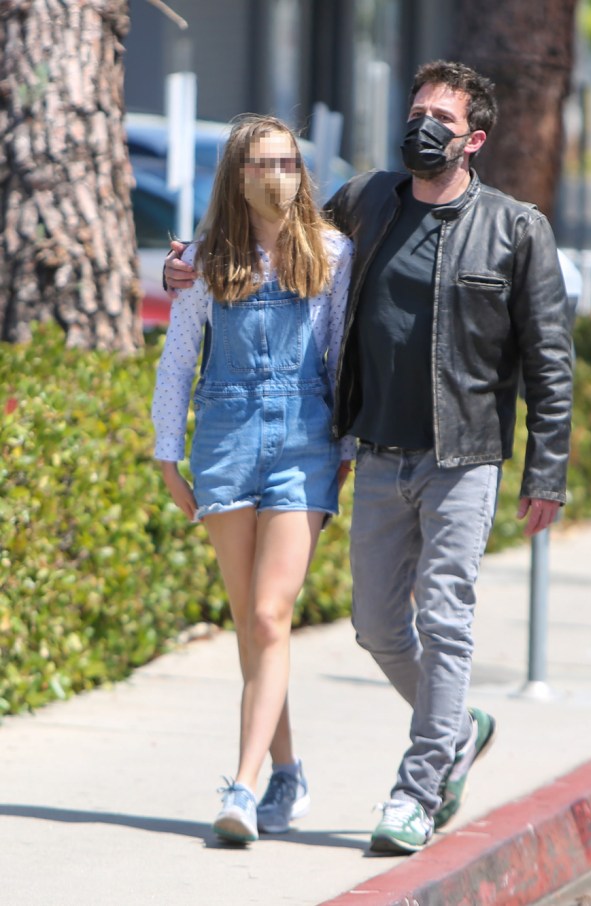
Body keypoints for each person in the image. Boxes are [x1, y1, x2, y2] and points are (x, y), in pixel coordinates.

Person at [163, 61, 573, 856]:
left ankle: (416, 792)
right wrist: (188, 257)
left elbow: (550, 359)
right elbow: (275, 232)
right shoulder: (370, 202)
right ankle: (459, 728)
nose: (422, 126)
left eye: (441, 120)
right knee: (380, 629)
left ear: (474, 139)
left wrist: (545, 471)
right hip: (379, 453)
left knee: (445, 623)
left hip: (464, 454)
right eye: (417, 110)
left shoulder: (516, 229)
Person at [152, 114, 353, 845]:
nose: (279, 176)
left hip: (304, 441)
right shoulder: (206, 259)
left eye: (289, 162)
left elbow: (338, 358)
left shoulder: (331, 252)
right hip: (225, 443)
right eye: (264, 164)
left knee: (270, 616)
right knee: (252, 626)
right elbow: (178, 361)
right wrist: (167, 455)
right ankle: (289, 770)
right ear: (237, 176)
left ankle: (240, 787)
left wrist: (346, 447)